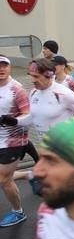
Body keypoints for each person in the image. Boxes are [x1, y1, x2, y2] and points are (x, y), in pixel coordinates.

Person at [0, 55, 31, 227]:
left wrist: (12, 120)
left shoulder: (16, 89)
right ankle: (28, 174)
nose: (1, 69)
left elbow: (28, 115)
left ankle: (18, 212)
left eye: (4, 65)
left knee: (3, 180)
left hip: (14, 141)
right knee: (7, 177)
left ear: (10, 67)